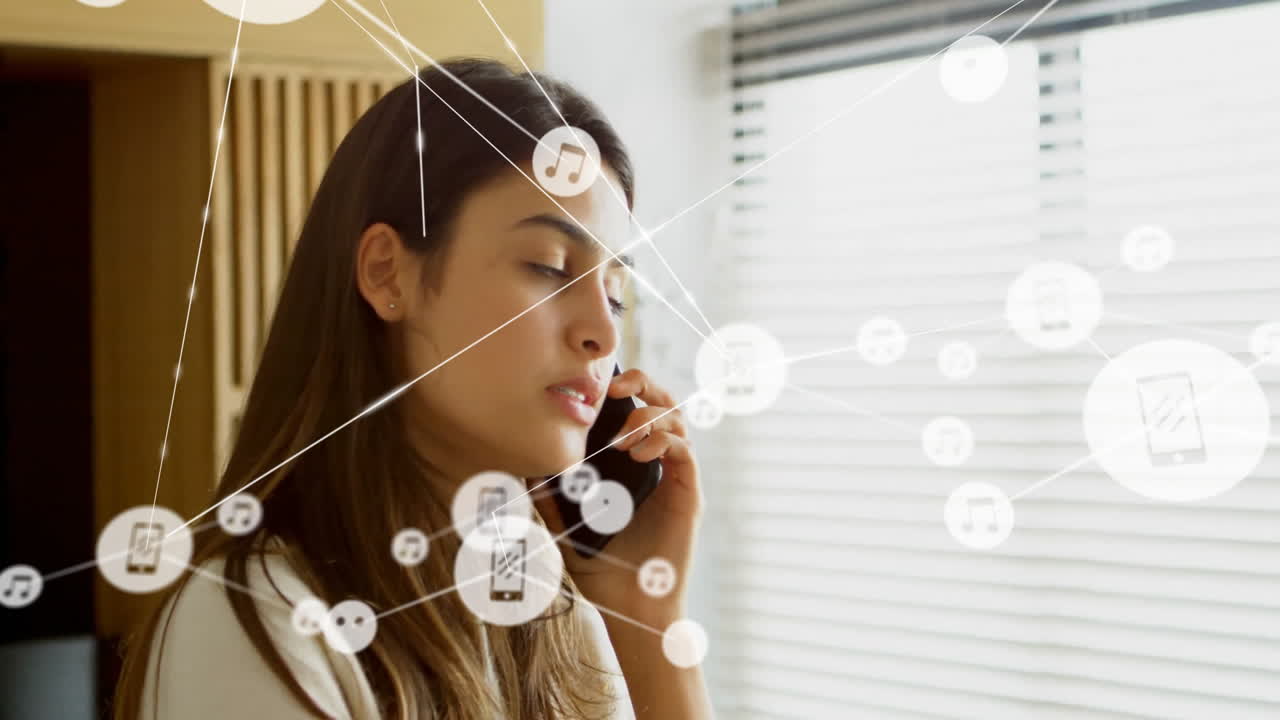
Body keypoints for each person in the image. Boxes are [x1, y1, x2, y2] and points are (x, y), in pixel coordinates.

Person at [109, 57, 713, 720]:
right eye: (548, 266)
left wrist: (646, 618)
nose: (602, 331)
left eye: (616, 294)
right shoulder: (257, 623)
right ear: (386, 273)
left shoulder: (547, 603)